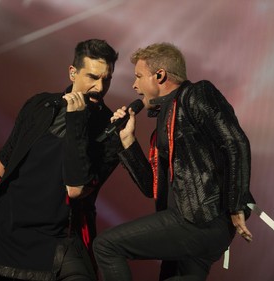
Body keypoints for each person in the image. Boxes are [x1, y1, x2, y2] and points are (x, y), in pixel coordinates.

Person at [0, 39, 120, 281]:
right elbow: (2, 166)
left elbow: (77, 187)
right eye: (92, 77)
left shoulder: (109, 128)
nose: (100, 87)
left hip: (57, 237)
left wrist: (77, 120)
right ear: (73, 72)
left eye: (107, 79)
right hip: (4, 228)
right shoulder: (39, 105)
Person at [93, 42, 255, 281]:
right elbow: (151, 187)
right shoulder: (164, 122)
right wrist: (127, 141)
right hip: (189, 226)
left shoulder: (196, 94)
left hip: (200, 221)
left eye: (138, 76)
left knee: (106, 246)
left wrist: (236, 204)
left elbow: (235, 142)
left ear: (160, 75)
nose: (134, 85)